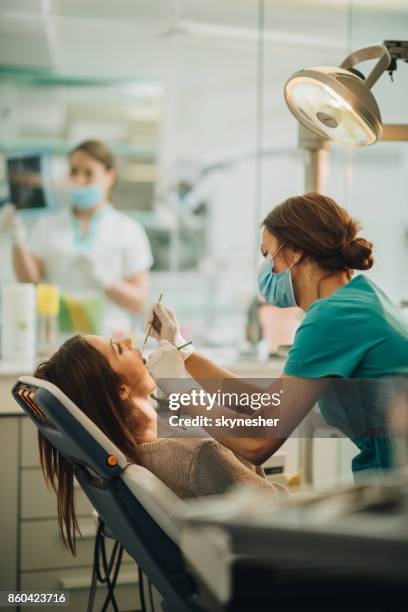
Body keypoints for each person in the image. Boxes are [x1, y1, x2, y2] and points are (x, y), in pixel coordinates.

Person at [145, 192, 408, 477]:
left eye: (267, 253)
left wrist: (181, 389)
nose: (266, 267)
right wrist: (182, 351)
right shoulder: (358, 299)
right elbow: (267, 406)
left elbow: (257, 441)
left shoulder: (332, 318)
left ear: (295, 251)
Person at [34, 334, 283, 553]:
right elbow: (277, 518)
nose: (128, 341)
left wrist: (183, 351)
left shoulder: (138, 449)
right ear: (121, 390)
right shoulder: (195, 453)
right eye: (118, 348)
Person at [0, 140, 153, 337]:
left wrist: (106, 280)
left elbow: (138, 302)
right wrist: (18, 240)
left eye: (88, 173)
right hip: (56, 344)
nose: (79, 180)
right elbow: (30, 281)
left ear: (110, 176)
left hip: (110, 343)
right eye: (74, 172)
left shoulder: (129, 231)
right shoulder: (47, 225)